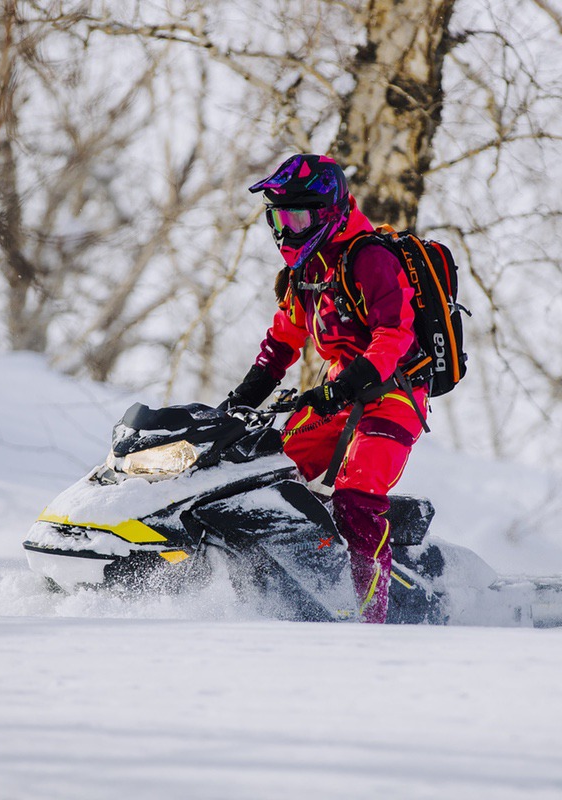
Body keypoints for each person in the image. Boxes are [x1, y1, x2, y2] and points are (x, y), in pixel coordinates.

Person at [220, 153, 428, 623]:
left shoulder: (370, 258)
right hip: (338, 393)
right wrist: (234, 407)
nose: (286, 230)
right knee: (264, 468)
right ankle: (295, 584)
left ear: (329, 211)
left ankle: (373, 618)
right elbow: (280, 343)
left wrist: (345, 386)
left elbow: (395, 335)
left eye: (298, 217)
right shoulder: (307, 273)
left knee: (355, 497)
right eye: (279, 217)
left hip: (394, 394)